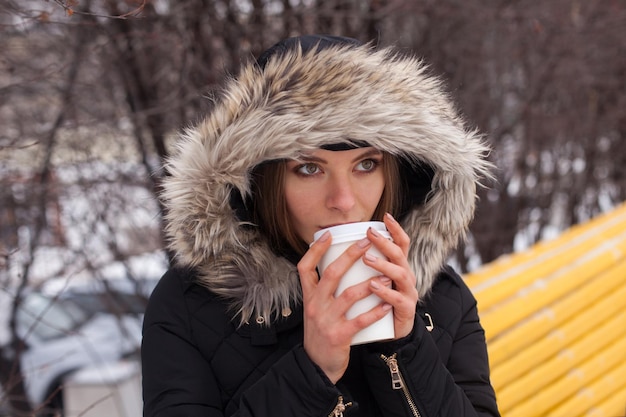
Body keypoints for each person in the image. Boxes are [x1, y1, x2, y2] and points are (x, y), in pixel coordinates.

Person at [142, 34, 500, 417]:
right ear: (261, 182)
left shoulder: (441, 300)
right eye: (309, 168)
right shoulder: (188, 306)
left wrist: (404, 352)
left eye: (366, 165)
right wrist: (311, 372)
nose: (344, 201)